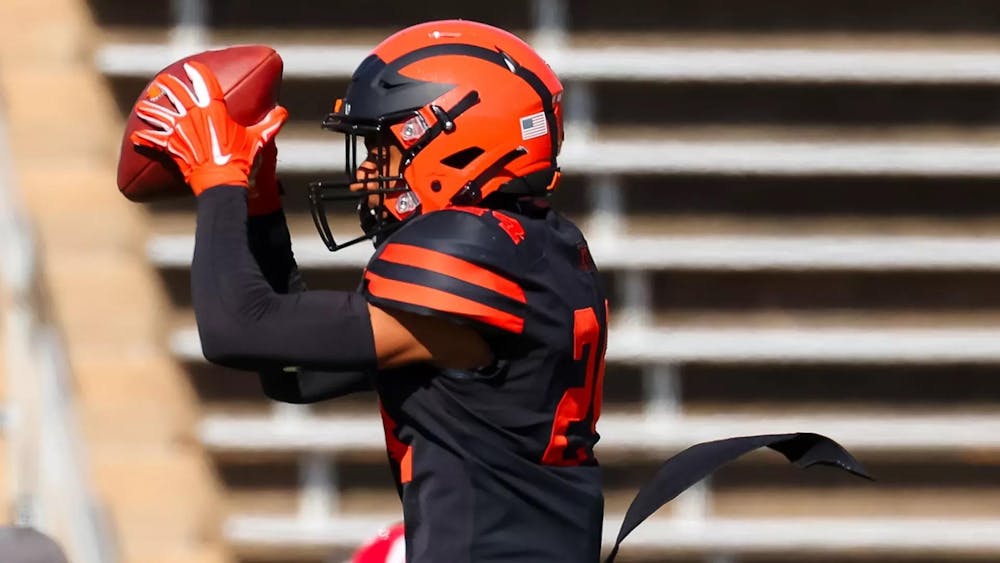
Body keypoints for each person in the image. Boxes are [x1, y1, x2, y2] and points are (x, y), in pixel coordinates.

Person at [131, 19, 869, 563]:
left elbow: (236, 327)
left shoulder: (473, 253)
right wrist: (258, 202)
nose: (365, 173)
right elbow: (296, 370)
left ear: (452, 138)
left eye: (384, 146)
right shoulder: (534, 250)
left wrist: (221, 178)